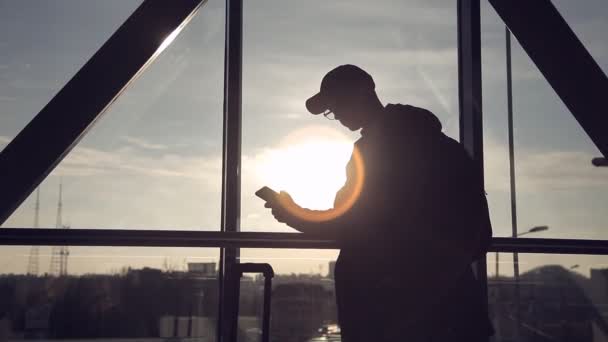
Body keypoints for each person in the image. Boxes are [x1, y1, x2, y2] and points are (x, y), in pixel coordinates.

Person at [263, 65, 493, 341]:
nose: (334, 115)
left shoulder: (375, 151)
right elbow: (479, 233)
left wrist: (292, 213)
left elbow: (351, 223)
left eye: (334, 105)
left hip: (390, 308)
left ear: (361, 95)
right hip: (450, 304)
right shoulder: (444, 146)